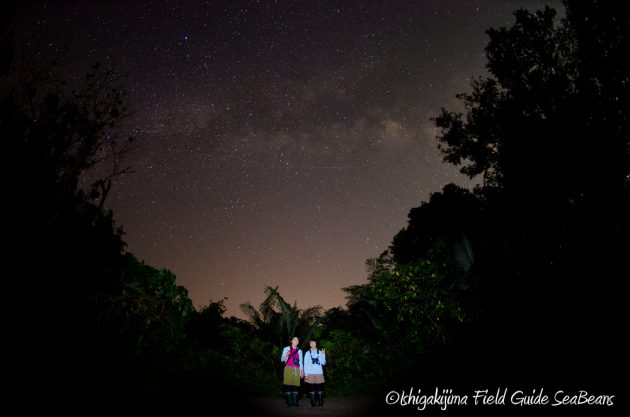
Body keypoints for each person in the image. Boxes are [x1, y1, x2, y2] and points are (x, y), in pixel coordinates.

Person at [280, 336, 303, 407]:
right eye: (294, 340)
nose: (296, 341)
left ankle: (295, 402)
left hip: (297, 369)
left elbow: (301, 362)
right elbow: (282, 360)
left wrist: (302, 371)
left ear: (298, 343)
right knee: (288, 385)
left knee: (295, 386)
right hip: (288, 368)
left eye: (297, 340)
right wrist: (286, 355)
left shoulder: (300, 351)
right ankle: (289, 402)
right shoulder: (286, 349)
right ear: (291, 341)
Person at [303, 338, 326, 407]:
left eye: (314, 342)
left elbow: (323, 363)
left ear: (316, 343)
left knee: (319, 389)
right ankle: (313, 402)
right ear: (309, 344)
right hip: (310, 373)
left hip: (319, 373)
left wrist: (323, 355)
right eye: (311, 343)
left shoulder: (320, 352)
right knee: (312, 389)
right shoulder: (307, 353)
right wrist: (306, 374)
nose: (312, 344)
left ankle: (320, 402)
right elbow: (305, 364)